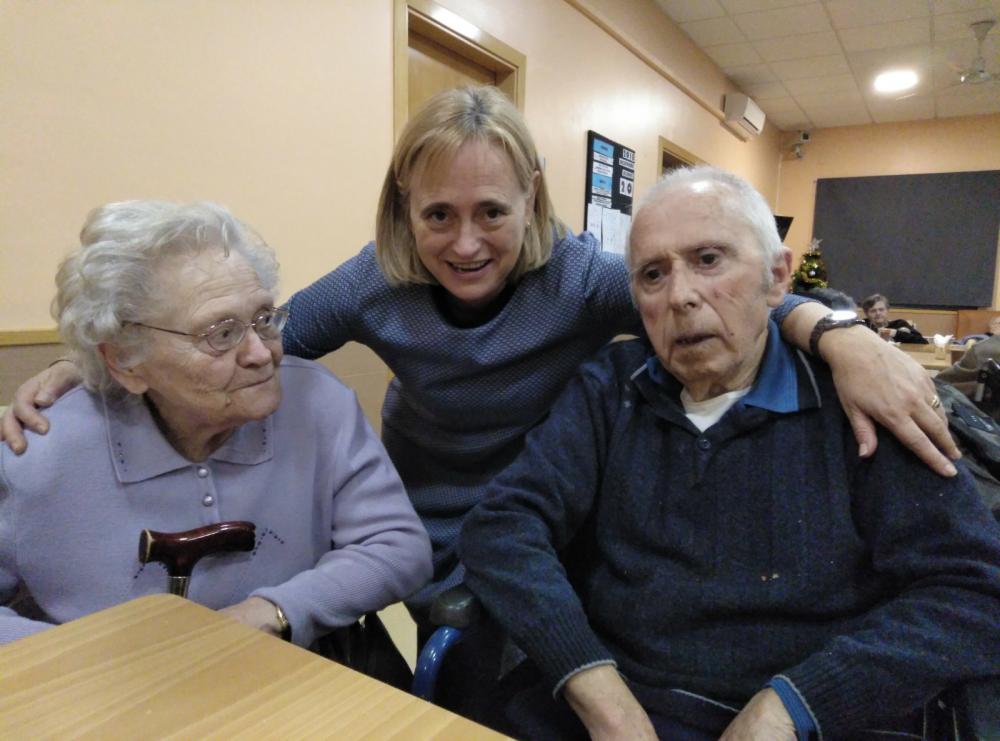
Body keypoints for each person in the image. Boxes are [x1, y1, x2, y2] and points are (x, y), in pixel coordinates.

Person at [1, 87, 958, 622]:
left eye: (493, 212)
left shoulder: (582, 279)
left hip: (550, 514)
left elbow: (707, 297)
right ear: (403, 210)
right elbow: (243, 340)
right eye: (438, 216)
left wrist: (836, 333)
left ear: (532, 197)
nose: (465, 244)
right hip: (416, 522)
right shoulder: (371, 283)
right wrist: (96, 363)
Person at [459, 167, 1000, 740]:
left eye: (709, 259)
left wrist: (796, 705)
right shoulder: (610, 390)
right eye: (653, 274)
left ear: (776, 278)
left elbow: (976, 591)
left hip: (813, 719)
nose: (681, 296)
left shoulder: (861, 402)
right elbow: (502, 526)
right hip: (619, 706)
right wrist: (592, 684)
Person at [0, 201, 432, 648]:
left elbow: (398, 545)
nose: (261, 353)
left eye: (264, 319)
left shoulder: (317, 404)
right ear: (125, 359)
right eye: (221, 334)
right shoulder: (40, 450)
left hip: (292, 674)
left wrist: (275, 612)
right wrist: (88, 657)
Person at [862, 293, 927, 344]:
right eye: (873, 311)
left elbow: (923, 342)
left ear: (887, 310)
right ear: (866, 313)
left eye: (881, 310)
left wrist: (895, 333)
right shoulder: (862, 325)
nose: (878, 313)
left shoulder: (899, 324)